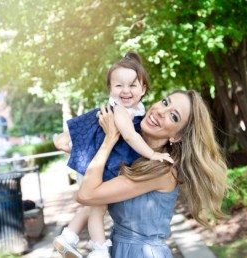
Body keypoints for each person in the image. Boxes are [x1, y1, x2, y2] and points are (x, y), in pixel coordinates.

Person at [75, 90, 229, 258]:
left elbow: (86, 194)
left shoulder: (162, 170)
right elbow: (63, 144)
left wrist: (109, 139)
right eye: (165, 102)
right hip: (120, 249)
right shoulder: (130, 152)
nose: (161, 111)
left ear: (177, 136)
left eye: (174, 116)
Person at [53, 52, 172, 258]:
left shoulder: (136, 110)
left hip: (99, 164)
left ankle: (68, 236)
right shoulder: (120, 111)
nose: (125, 91)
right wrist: (152, 154)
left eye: (132, 85)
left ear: (143, 89)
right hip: (96, 167)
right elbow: (129, 136)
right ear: (110, 88)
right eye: (119, 86)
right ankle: (99, 250)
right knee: (98, 209)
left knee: (95, 207)